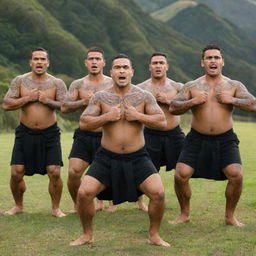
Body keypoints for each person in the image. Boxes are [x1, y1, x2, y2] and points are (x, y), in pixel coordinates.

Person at [70, 53, 170, 247]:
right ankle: (87, 235)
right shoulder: (101, 97)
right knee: (84, 193)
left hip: (138, 157)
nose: (121, 70)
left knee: (158, 193)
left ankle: (154, 235)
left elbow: (161, 121)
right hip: (106, 157)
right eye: (117, 67)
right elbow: (84, 123)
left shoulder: (143, 96)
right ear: (112, 72)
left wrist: (138, 116)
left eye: (125, 67)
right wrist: (106, 117)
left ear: (132, 72)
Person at [169, 44, 256, 226]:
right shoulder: (191, 86)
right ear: (203, 63)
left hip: (225, 139)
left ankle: (229, 216)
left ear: (222, 61)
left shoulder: (233, 85)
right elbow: (173, 107)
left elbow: (253, 104)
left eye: (216, 57)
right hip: (196, 138)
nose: (213, 61)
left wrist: (231, 99)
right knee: (180, 175)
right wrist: (193, 101)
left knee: (236, 175)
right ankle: (185, 214)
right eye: (209, 58)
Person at [2, 47, 67, 217]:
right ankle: (18, 205)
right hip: (25, 133)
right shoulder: (20, 81)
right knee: (16, 172)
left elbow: (65, 107)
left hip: (50, 134)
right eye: (36, 59)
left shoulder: (57, 83)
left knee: (54, 171)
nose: (39, 62)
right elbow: (6, 104)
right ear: (30, 62)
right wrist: (26, 99)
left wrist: (48, 101)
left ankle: (55, 208)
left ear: (48, 62)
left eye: (42, 59)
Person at [61, 47, 116, 212]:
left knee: (109, 171)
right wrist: (82, 102)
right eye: (91, 59)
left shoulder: (112, 83)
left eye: (97, 59)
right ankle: (79, 205)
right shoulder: (78, 84)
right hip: (84, 135)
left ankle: (111, 203)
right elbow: (64, 107)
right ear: (86, 63)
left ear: (104, 63)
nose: (94, 62)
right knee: (74, 172)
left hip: (107, 134)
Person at [137, 53, 185, 211]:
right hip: (150, 134)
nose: (158, 66)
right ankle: (141, 202)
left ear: (167, 66)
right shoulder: (141, 88)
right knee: (146, 170)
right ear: (149, 67)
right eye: (154, 63)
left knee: (183, 171)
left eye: (161, 63)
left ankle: (184, 207)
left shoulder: (177, 87)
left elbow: (186, 107)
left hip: (174, 134)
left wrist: (168, 101)